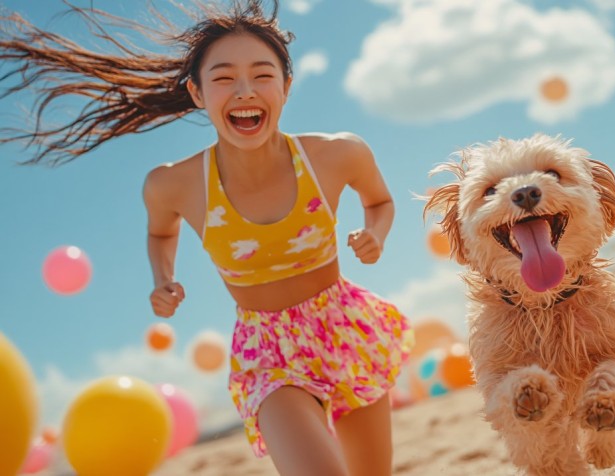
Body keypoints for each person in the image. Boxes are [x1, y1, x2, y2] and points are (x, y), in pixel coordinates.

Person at [0, 2, 413, 475]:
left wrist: (376, 235)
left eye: (262, 75)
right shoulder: (173, 185)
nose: (244, 91)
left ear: (286, 86)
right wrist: (163, 277)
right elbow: (160, 231)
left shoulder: (337, 154)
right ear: (197, 93)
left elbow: (379, 201)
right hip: (268, 350)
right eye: (222, 78)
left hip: (344, 325)